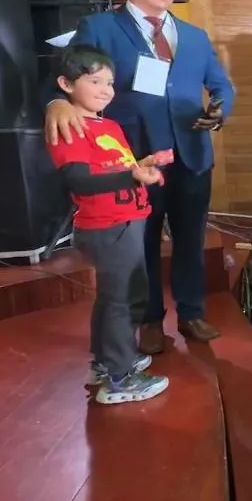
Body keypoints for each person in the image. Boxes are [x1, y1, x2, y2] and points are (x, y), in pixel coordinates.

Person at [44, 0, 236, 354]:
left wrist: (220, 108)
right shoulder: (100, 27)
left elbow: (221, 85)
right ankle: (150, 319)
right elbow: (68, 75)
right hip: (133, 157)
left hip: (191, 153)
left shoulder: (194, 36)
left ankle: (191, 312)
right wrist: (56, 103)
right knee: (142, 241)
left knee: (190, 238)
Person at [44, 45, 170, 404]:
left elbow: (115, 167)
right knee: (123, 300)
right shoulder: (70, 124)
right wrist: (132, 176)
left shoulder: (110, 125)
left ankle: (106, 362)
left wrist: (141, 166)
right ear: (66, 84)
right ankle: (119, 377)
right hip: (107, 226)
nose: (105, 90)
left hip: (127, 222)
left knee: (119, 296)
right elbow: (79, 181)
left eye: (110, 82)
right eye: (95, 81)